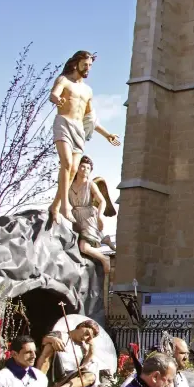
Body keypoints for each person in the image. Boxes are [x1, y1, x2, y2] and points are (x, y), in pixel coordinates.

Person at [48, 50, 120, 223]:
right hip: (64, 122)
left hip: (79, 129)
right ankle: (66, 206)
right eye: (85, 64)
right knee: (66, 163)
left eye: (90, 65)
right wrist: (57, 99)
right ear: (76, 64)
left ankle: (55, 206)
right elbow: (53, 94)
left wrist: (107, 135)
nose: (88, 68)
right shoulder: (63, 80)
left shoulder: (88, 90)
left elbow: (91, 119)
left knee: (73, 169)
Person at [67, 156, 116, 272]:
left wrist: (100, 217)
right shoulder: (69, 184)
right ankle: (104, 239)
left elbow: (102, 201)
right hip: (75, 217)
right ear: (77, 168)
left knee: (84, 247)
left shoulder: (90, 185)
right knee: (77, 247)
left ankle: (105, 259)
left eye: (88, 168)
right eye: (82, 167)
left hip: (88, 216)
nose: (85, 170)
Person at [36, 319, 100, 387]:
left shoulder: (83, 348)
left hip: (68, 380)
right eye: (87, 333)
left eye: (89, 338)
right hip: (53, 374)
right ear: (81, 326)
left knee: (91, 376)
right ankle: (38, 384)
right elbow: (44, 340)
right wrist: (52, 339)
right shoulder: (60, 335)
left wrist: (91, 352)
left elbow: (84, 367)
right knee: (49, 346)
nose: (85, 338)